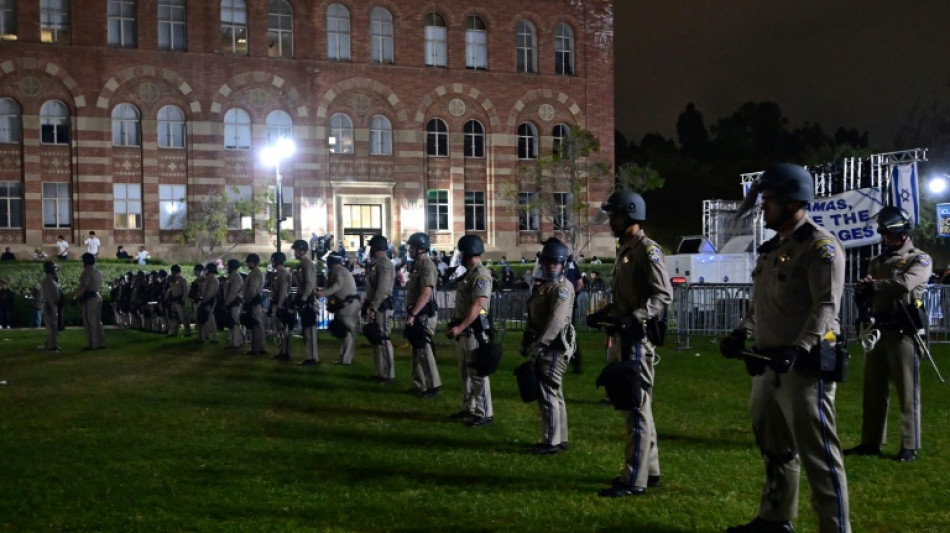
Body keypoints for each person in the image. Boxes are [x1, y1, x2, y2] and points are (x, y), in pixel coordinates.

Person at [719, 163, 850, 533]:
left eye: (769, 199)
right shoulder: (773, 248)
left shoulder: (819, 246)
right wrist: (741, 332)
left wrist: (799, 347)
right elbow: (760, 303)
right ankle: (775, 519)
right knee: (775, 448)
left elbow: (826, 306)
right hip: (769, 363)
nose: (763, 206)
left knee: (820, 457)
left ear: (793, 202)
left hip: (804, 367)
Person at [587, 189, 672, 498]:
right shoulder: (626, 251)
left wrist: (635, 317)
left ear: (631, 214)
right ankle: (650, 470)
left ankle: (634, 479)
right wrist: (605, 314)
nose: (611, 220)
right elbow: (626, 297)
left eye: (616, 215)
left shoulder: (647, 250)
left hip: (638, 339)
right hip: (626, 336)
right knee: (640, 406)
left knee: (634, 407)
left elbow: (663, 294)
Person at [844, 207, 932, 463]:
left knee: (907, 392)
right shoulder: (877, 261)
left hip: (904, 332)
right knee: (873, 391)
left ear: (904, 233)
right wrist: (864, 291)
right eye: (884, 234)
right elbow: (873, 291)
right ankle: (870, 442)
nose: (886, 238)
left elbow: (905, 284)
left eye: (891, 234)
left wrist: (874, 285)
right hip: (879, 331)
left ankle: (910, 445)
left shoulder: (919, 259)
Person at [522, 238, 576, 454]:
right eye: (548, 262)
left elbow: (556, 320)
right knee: (554, 392)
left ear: (563, 264)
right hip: (548, 343)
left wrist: (540, 345)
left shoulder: (561, 288)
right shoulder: (548, 286)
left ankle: (550, 441)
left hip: (553, 346)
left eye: (555, 262)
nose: (551, 266)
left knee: (548, 394)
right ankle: (560, 437)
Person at [445, 235, 494, 427]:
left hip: (474, 331)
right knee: (465, 372)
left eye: (462, 253)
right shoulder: (469, 274)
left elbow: (478, 304)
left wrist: (460, 326)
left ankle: (484, 412)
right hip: (464, 330)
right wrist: (454, 323)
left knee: (477, 373)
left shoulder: (481, 275)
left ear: (468, 253)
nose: (460, 256)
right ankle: (469, 408)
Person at [405, 232, 442, 398]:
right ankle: (419, 384)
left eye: (412, 247)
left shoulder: (427, 266)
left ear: (421, 248)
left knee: (424, 348)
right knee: (417, 348)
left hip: (424, 313)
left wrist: (413, 314)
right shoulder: (417, 265)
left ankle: (433, 385)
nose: (409, 249)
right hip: (418, 312)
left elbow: (426, 293)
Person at [363, 235, 395, 382]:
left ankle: (387, 374)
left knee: (383, 339)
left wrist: (373, 308)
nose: (370, 249)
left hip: (381, 306)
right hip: (377, 305)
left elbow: (382, 289)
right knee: (376, 339)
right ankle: (380, 372)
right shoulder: (378, 264)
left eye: (372, 246)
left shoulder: (384, 264)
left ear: (376, 247)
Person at [318, 252, 359, 365]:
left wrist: (324, 293)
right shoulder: (340, 270)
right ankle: (344, 358)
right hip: (347, 304)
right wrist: (323, 291)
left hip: (347, 305)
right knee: (345, 331)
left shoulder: (338, 271)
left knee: (346, 331)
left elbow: (337, 285)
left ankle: (346, 360)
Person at [292, 239, 319, 366]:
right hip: (304, 298)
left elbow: (309, 283)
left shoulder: (307, 264)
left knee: (309, 330)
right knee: (306, 329)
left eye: (296, 250)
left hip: (308, 299)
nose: (295, 252)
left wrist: (303, 298)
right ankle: (310, 356)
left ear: (302, 251)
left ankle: (312, 358)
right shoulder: (302, 264)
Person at [75, 252, 106, 350]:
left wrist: (76, 297)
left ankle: (92, 344)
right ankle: (101, 342)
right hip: (97, 296)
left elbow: (84, 286)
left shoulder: (87, 272)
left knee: (90, 322)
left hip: (90, 298)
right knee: (97, 321)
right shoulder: (97, 271)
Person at [269, 252, 293, 362]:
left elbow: (283, 292)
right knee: (279, 330)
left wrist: (278, 307)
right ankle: (281, 352)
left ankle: (284, 353)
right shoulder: (277, 273)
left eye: (273, 260)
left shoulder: (282, 274)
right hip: (278, 303)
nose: (272, 262)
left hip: (282, 304)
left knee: (281, 329)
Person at [242, 253, 267, 356]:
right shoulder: (256, 272)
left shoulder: (255, 273)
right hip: (255, 301)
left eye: (248, 262)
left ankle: (258, 349)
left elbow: (253, 289)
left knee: (257, 325)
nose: (247, 264)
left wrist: (247, 301)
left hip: (254, 302)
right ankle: (258, 348)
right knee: (256, 325)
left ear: (253, 262)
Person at [223, 259, 245, 350]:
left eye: (228, 266)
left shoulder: (235, 277)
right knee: (232, 322)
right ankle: (233, 342)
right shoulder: (232, 276)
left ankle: (237, 342)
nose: (226, 267)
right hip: (232, 303)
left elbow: (233, 292)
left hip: (234, 303)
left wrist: (227, 302)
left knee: (235, 323)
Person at [164, 265, 190, 338]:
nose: (172, 273)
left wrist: (183, 299)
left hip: (180, 301)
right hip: (173, 301)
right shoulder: (171, 280)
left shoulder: (182, 280)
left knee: (183, 318)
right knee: (174, 317)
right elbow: (170, 290)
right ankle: (173, 332)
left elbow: (186, 291)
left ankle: (187, 332)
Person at [196, 263, 220, 344]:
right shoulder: (208, 279)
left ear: (209, 270)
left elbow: (210, 293)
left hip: (209, 302)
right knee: (203, 319)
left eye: (206, 269)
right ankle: (204, 336)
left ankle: (214, 337)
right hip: (206, 301)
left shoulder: (213, 279)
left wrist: (203, 301)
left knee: (210, 319)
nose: (204, 271)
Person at [40, 261, 61, 350]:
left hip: (52, 304)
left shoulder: (52, 279)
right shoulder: (48, 280)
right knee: (51, 326)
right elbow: (48, 296)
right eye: (54, 268)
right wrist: (52, 306)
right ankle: (52, 345)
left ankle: (49, 343)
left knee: (53, 325)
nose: (56, 269)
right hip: (49, 305)